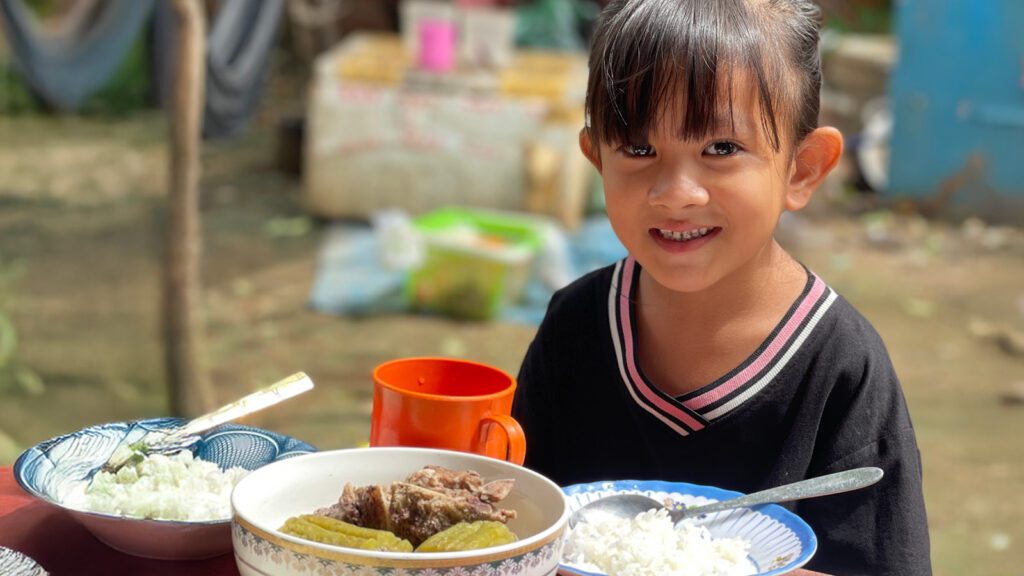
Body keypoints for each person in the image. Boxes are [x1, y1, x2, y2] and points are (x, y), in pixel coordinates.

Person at [510, 1, 932, 574]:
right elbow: (518, 524)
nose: (676, 192)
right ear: (597, 159)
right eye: (638, 150)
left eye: (721, 149)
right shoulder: (578, 322)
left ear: (802, 170)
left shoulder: (842, 366)